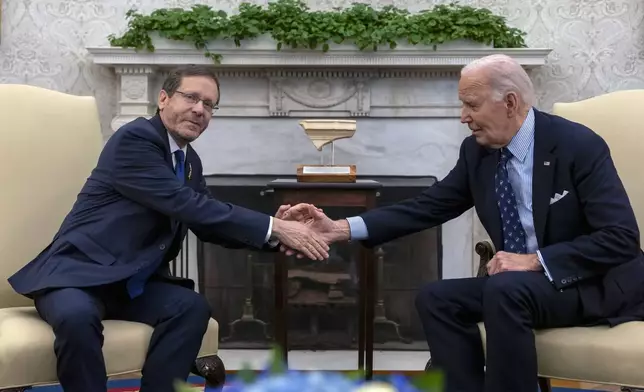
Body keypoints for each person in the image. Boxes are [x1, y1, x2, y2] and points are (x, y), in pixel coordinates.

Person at [281, 54, 644, 392]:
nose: (462, 116)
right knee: (436, 298)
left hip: (591, 284)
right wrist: (341, 229)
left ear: (511, 103)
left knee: (505, 289)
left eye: (471, 105)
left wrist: (534, 261)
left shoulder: (576, 144)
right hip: (524, 288)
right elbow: (428, 206)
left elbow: (621, 237)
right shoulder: (478, 152)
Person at [7, 65, 329, 392]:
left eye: (209, 104)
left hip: (128, 284)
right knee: (76, 319)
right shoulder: (135, 139)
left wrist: (277, 234)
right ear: (163, 98)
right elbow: (186, 204)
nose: (199, 109)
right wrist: (275, 226)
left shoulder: (189, 162)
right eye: (191, 97)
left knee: (191, 307)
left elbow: (207, 224)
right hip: (76, 276)